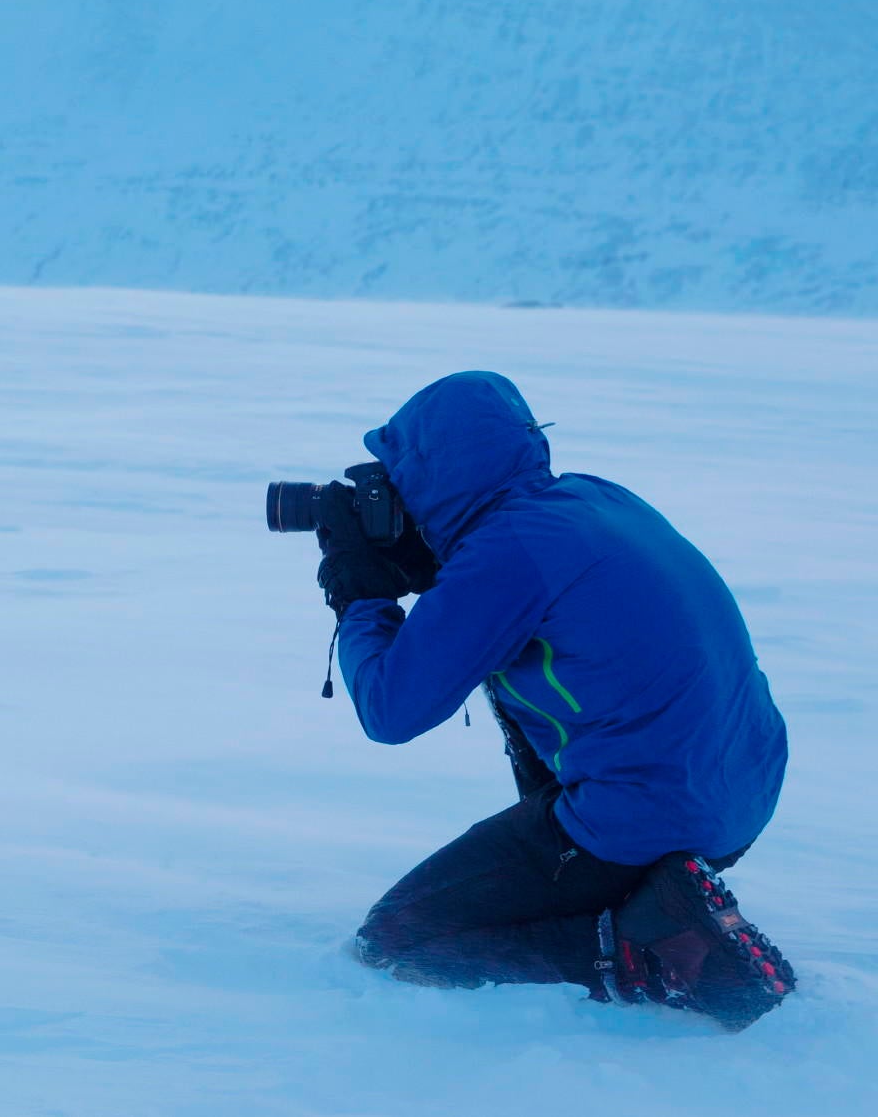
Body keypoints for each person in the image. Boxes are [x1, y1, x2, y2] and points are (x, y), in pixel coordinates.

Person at [315, 370, 794, 1030]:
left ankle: (648, 950)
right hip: (739, 793)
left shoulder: (505, 552)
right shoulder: (597, 499)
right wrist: (432, 568)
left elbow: (391, 711)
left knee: (399, 939)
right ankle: (655, 896)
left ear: (426, 475)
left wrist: (361, 595)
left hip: (647, 812)